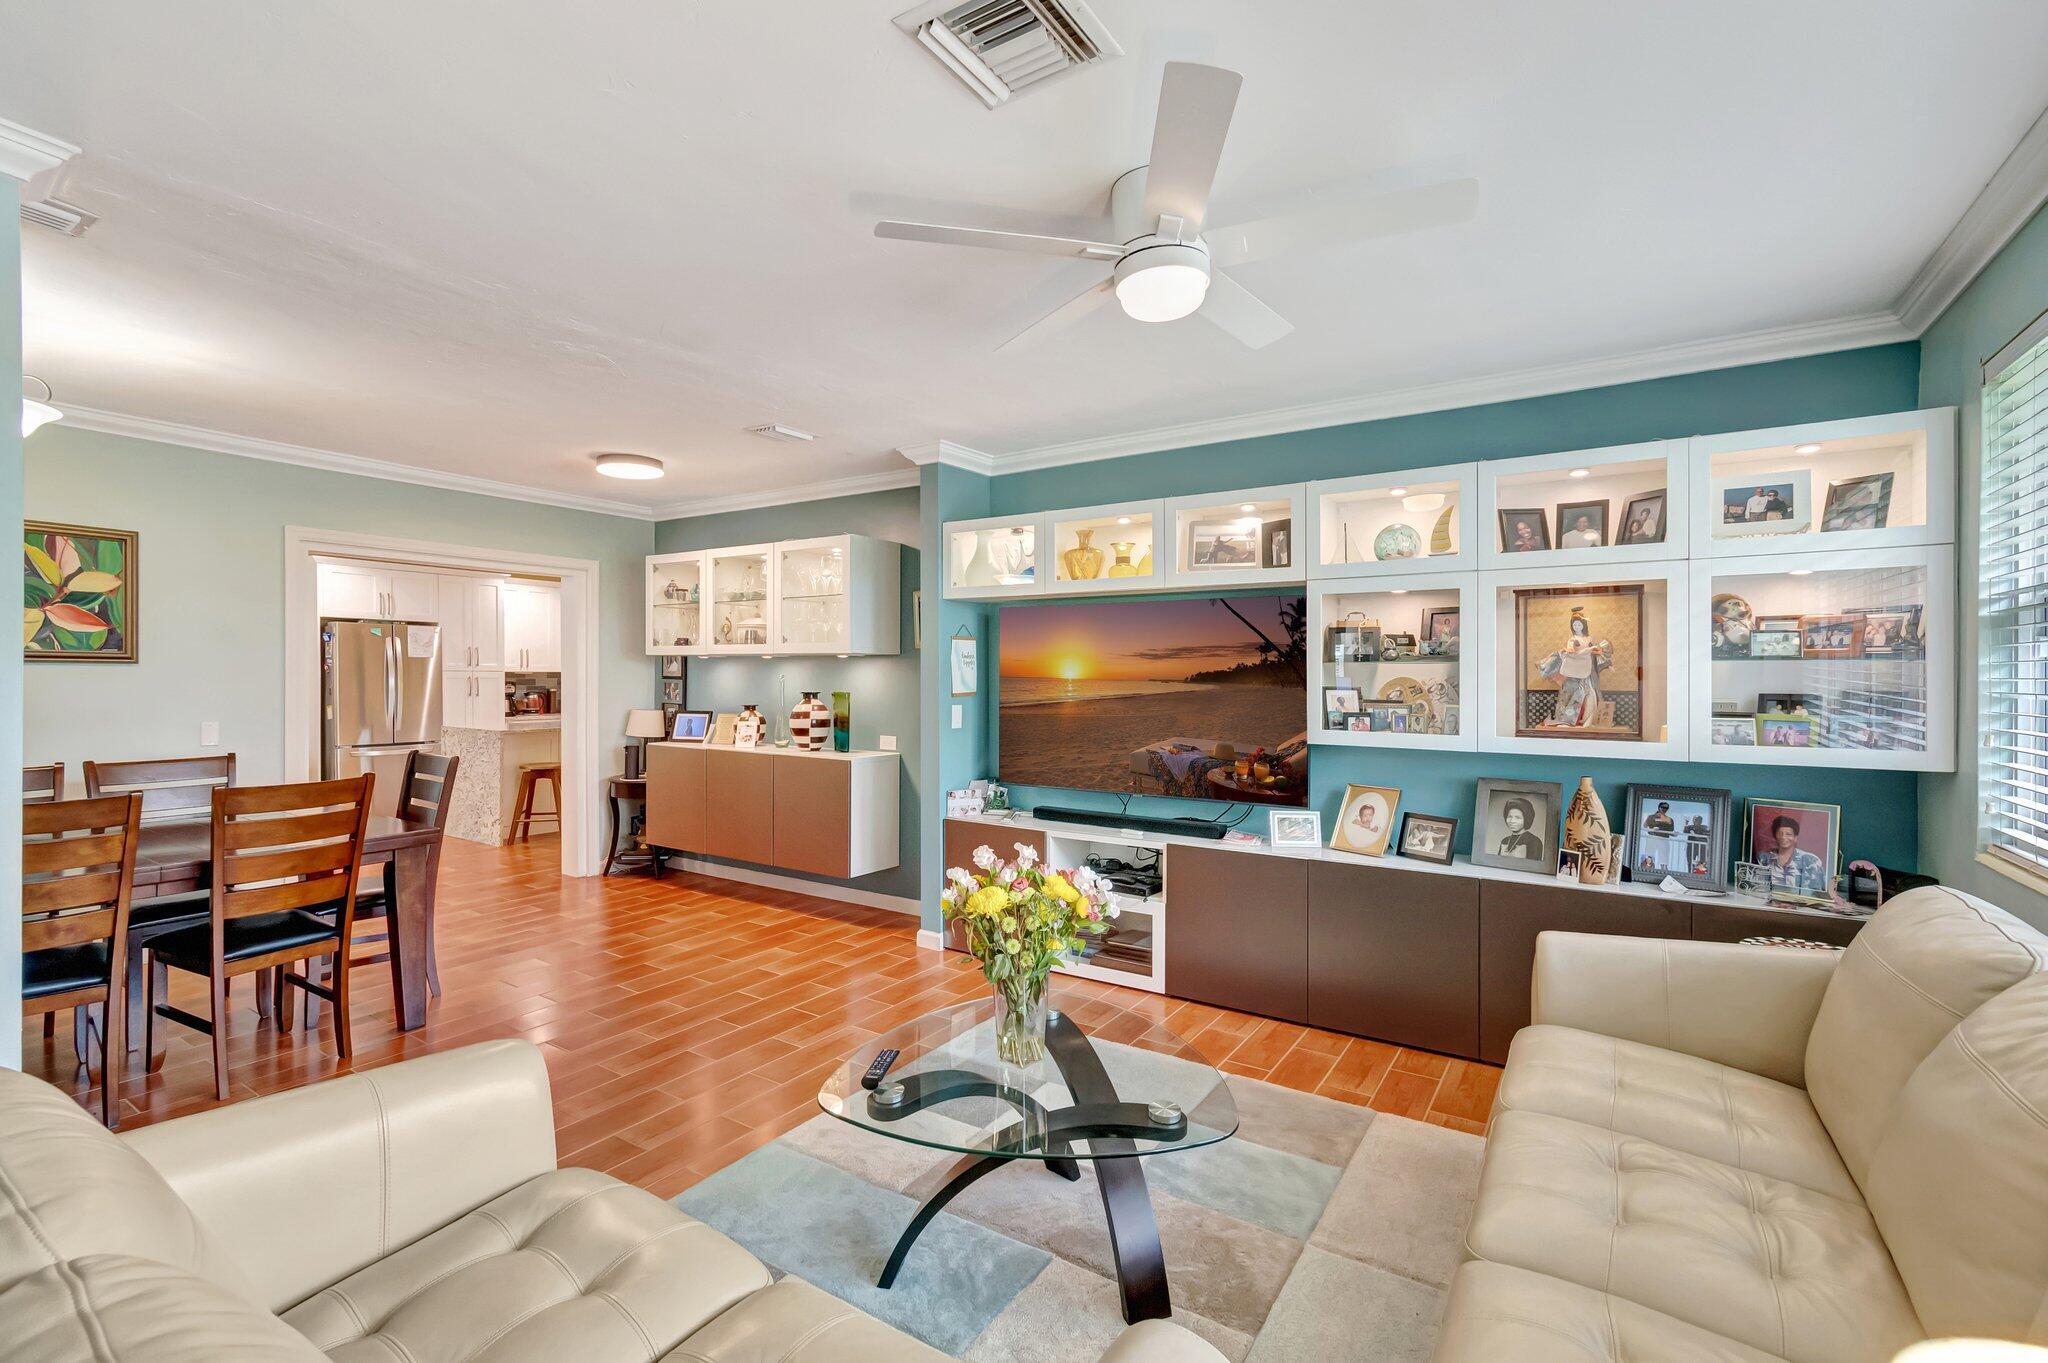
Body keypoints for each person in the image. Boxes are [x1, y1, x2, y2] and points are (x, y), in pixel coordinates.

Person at [1536, 608, 1612, 728]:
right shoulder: (1572, 640)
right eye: (1574, 625)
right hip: (1574, 672)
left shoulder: (1589, 639)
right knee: (1573, 694)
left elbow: (1593, 653)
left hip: (1587, 671)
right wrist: (1588, 650)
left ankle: (1589, 720)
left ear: (1584, 625)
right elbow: (1573, 653)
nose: (1577, 627)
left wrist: (1601, 655)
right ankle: (1569, 720)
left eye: (1579, 624)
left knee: (1591, 693)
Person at [1754, 812, 1827, 895]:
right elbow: (1756, 888)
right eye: (1780, 833)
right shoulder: (1763, 858)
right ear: (1775, 836)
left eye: (1788, 834)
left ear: (1796, 837)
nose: (1783, 837)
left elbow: (1818, 894)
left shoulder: (1811, 861)